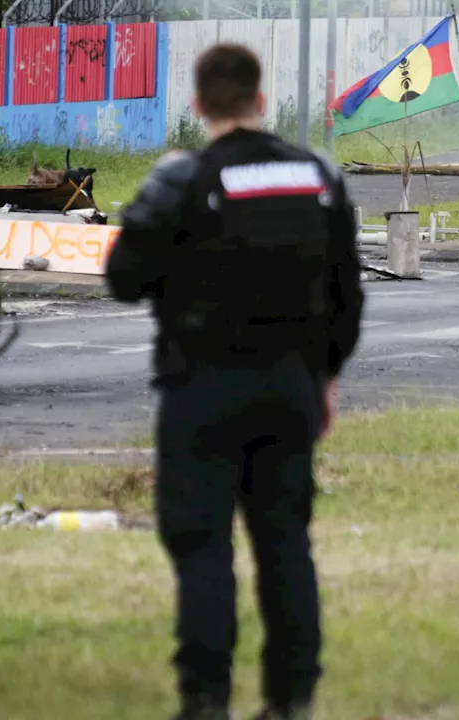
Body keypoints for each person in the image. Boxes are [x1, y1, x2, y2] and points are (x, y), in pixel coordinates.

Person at [103, 43, 365, 720]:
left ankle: (206, 698)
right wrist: (327, 377)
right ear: (261, 100)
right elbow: (347, 293)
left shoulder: (182, 179)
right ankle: (291, 698)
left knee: (202, 547)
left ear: (197, 106)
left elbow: (123, 278)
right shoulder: (317, 177)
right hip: (290, 387)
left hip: (202, 389)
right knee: (285, 544)